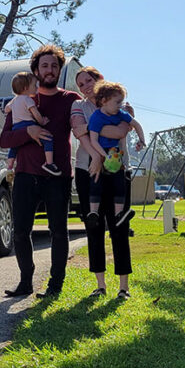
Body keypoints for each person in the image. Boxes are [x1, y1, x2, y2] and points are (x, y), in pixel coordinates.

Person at [0, 44, 80, 298]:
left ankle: (55, 286)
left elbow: (83, 126)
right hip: (25, 175)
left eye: (55, 66)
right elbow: (5, 140)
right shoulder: (21, 101)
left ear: (59, 70)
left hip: (58, 176)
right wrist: (29, 132)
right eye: (44, 65)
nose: (50, 70)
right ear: (35, 70)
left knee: (59, 231)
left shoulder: (70, 99)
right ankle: (26, 281)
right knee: (21, 231)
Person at [71, 66, 136, 300]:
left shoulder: (122, 106)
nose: (85, 86)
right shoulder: (78, 106)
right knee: (94, 228)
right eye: (80, 84)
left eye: (89, 80)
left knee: (119, 227)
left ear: (100, 80)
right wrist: (97, 156)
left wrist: (93, 129)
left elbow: (121, 131)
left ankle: (123, 286)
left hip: (118, 169)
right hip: (87, 170)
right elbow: (78, 131)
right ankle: (100, 285)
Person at [86, 81, 146, 229]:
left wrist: (141, 140)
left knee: (120, 183)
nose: (120, 105)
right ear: (104, 101)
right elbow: (93, 140)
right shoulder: (96, 117)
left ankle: (119, 214)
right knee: (96, 181)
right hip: (101, 153)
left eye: (122, 102)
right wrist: (102, 156)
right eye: (117, 102)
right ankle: (93, 212)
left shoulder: (121, 114)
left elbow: (136, 124)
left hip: (115, 154)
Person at [5, 72, 61, 176]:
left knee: (14, 147)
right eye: (35, 85)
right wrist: (42, 122)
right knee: (48, 139)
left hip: (16, 127)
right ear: (26, 88)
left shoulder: (14, 100)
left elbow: (6, 109)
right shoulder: (28, 99)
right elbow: (36, 114)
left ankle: (9, 166)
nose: (37, 87)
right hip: (28, 124)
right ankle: (49, 163)